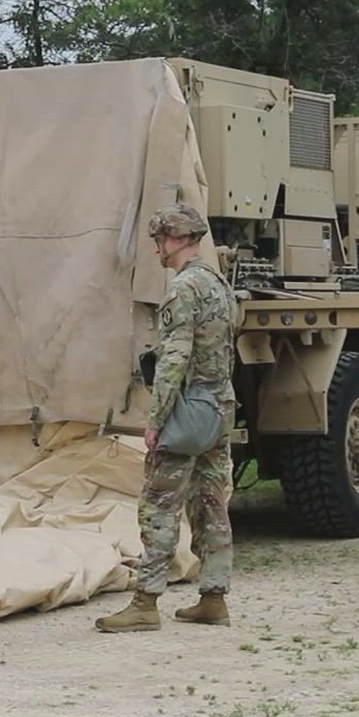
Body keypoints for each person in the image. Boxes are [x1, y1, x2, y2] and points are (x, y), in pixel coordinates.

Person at [96, 203, 237, 633]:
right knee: (211, 501)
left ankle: (145, 601)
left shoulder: (182, 289)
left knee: (159, 504)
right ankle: (213, 596)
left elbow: (175, 358)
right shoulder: (217, 283)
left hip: (189, 407)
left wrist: (155, 419)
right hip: (218, 405)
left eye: (159, 239)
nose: (157, 246)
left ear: (175, 240)